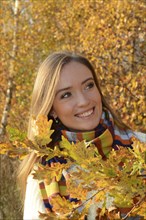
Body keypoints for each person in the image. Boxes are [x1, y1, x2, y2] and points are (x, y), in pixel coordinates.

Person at [17, 51, 145, 219]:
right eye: (66, 95)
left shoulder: (140, 146)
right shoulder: (44, 176)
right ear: (52, 109)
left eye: (88, 86)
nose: (84, 101)